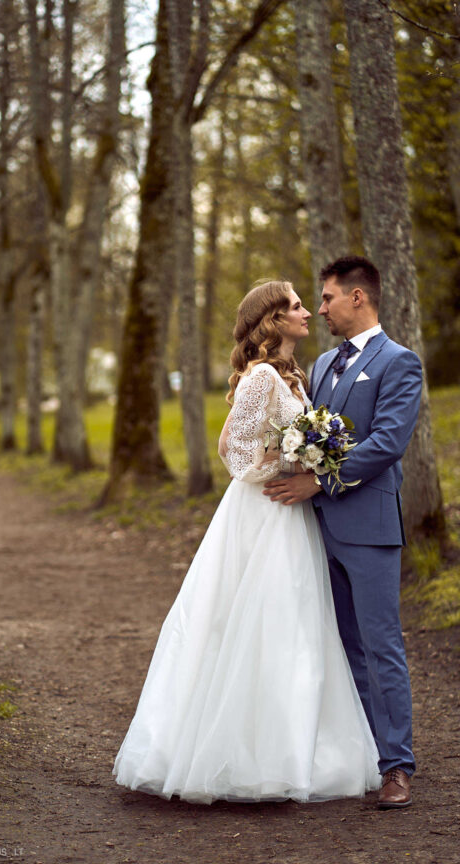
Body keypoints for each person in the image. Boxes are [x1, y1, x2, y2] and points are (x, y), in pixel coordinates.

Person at [113, 280, 380, 804]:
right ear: (274, 320)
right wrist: (286, 467)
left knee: (294, 625)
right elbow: (232, 450)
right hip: (264, 513)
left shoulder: (293, 377)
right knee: (260, 622)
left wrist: (308, 460)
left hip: (292, 514)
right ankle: (240, 758)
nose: (308, 312)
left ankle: (291, 752)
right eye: (297, 306)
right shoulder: (261, 377)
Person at [263, 256, 422, 810]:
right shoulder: (324, 363)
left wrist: (317, 482)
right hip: (315, 530)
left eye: (327, 297)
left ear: (358, 297)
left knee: (381, 646)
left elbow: (386, 443)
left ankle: (397, 765)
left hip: (369, 527)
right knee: (341, 645)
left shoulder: (399, 362)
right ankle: (362, 756)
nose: (321, 308)